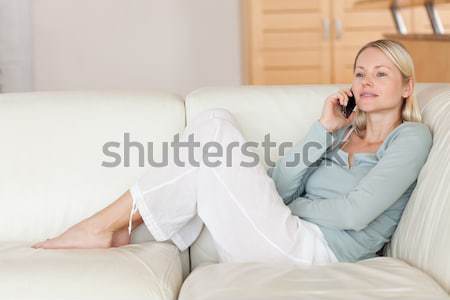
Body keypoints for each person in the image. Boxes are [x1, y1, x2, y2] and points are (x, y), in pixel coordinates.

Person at [31, 39, 432, 265]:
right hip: (284, 235)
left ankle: (107, 227)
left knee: (215, 129)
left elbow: (354, 213)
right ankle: (118, 230)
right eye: (360, 73)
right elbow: (281, 186)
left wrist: (286, 209)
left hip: (316, 253)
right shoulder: (341, 135)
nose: (366, 82)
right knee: (214, 121)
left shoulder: (409, 139)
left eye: (381, 74)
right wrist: (324, 129)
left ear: (407, 87)